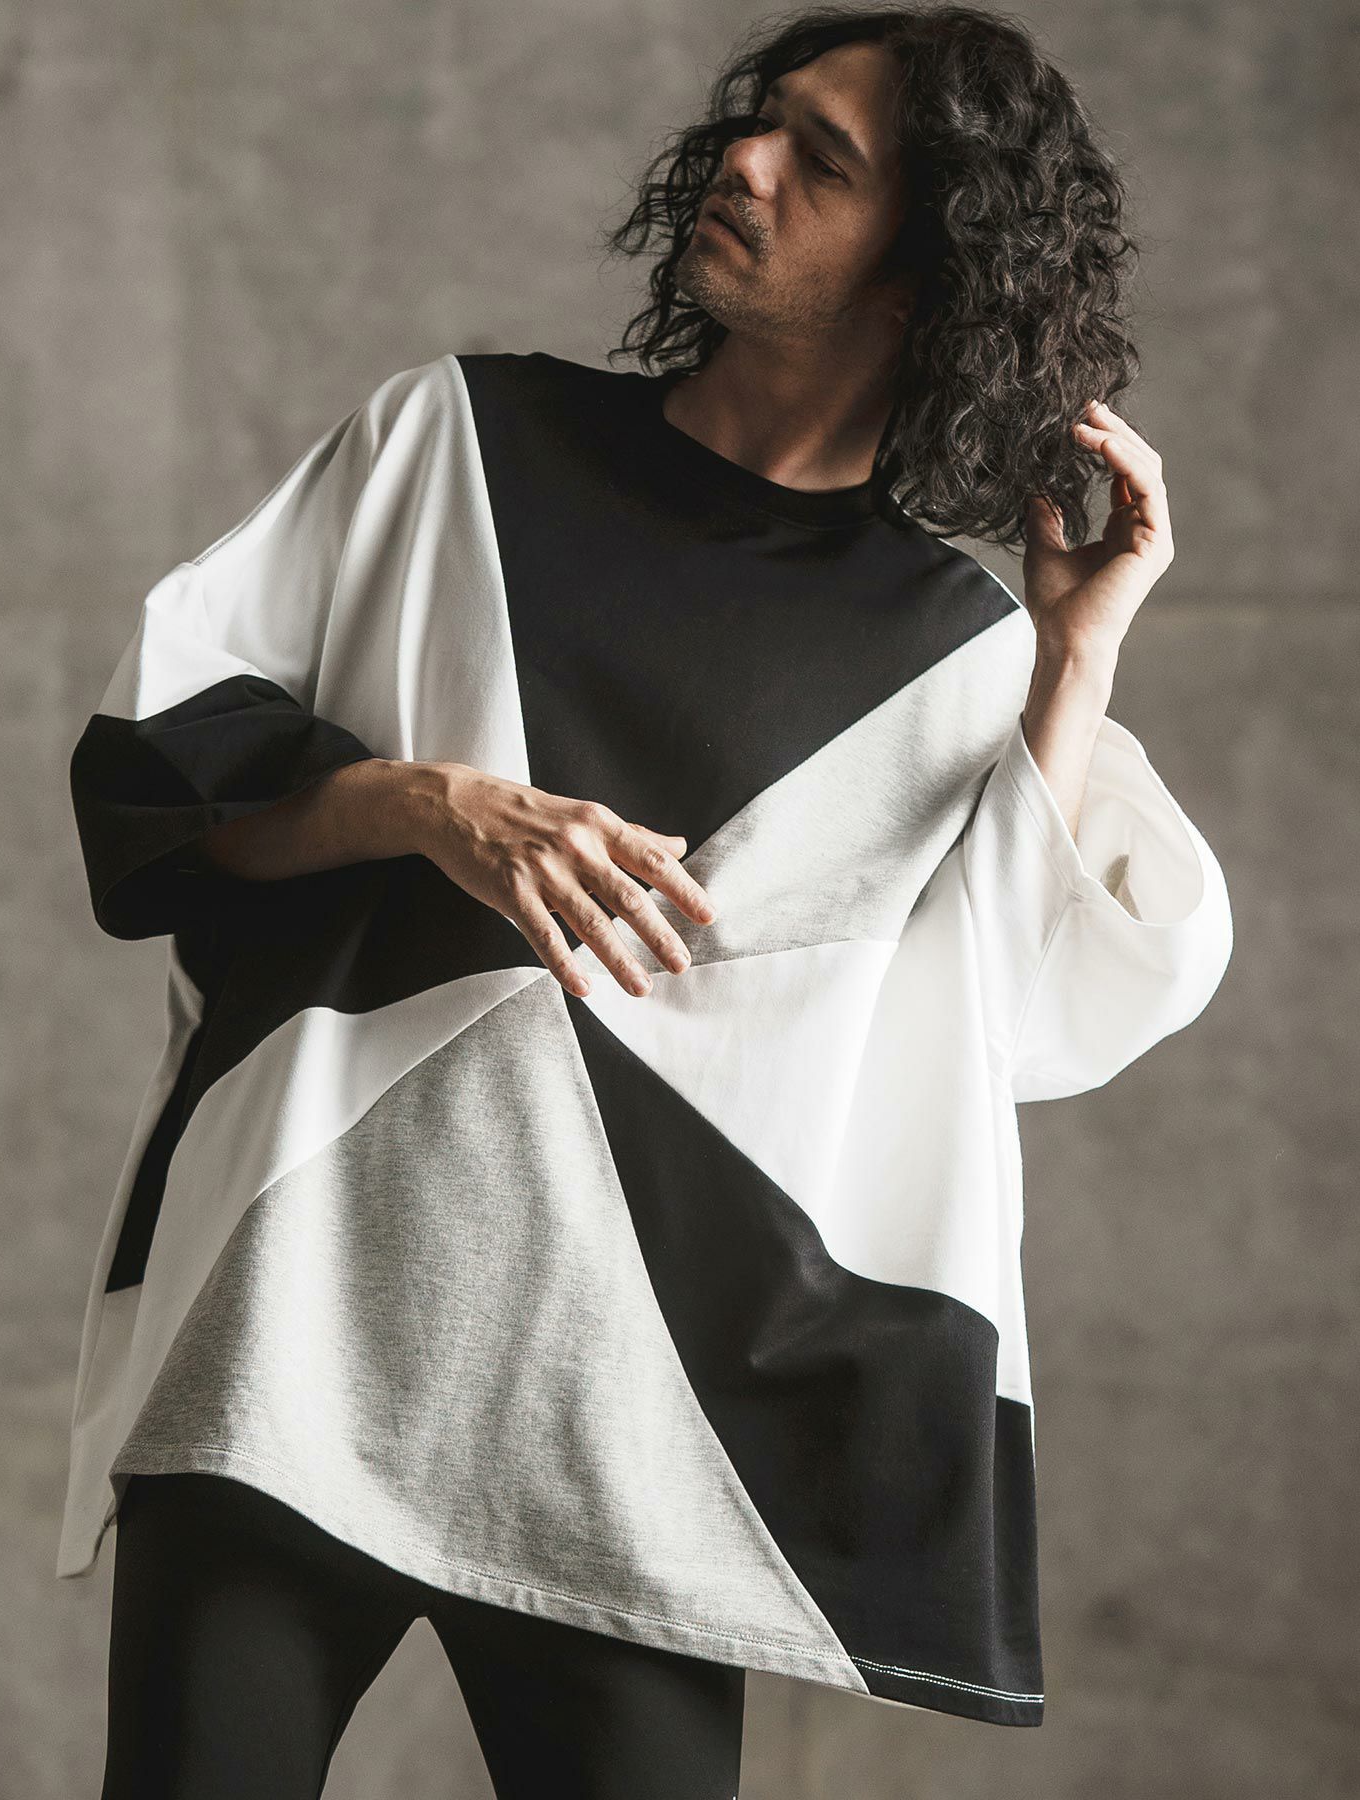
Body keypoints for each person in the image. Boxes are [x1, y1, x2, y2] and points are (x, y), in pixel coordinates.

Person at [63, 7, 1235, 1795]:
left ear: (929, 268)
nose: (740, 163)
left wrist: (1076, 656)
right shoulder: (457, 442)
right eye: (759, 121)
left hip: (642, 1414)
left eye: (820, 159)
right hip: (292, 1327)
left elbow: (998, 1028)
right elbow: (160, 795)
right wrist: (428, 806)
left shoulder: (951, 653)